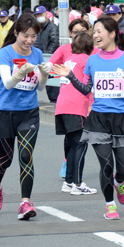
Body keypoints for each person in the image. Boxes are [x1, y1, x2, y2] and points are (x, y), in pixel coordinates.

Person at [53, 15, 124, 220]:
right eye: (93, 32)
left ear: (112, 34)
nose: (95, 35)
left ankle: (120, 182)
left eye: (99, 31)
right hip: (99, 120)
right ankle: (109, 205)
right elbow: (86, 89)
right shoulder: (92, 60)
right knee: (106, 165)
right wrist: (70, 76)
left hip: (123, 119)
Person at [0, 14, 50, 220]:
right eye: (26, 36)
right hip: (4, 112)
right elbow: (6, 83)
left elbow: (41, 87)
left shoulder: (38, 54)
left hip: (29, 113)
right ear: (16, 32)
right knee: (5, 159)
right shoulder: (5, 54)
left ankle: (25, 202)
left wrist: (43, 75)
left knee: (26, 155)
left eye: (34, 37)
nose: (29, 41)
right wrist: (19, 74)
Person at [48, 19, 100, 194]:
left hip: (62, 107)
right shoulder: (88, 60)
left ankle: (69, 182)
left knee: (71, 146)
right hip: (77, 107)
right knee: (80, 146)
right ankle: (78, 184)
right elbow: (86, 88)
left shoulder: (70, 58)